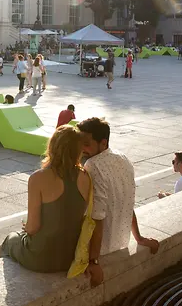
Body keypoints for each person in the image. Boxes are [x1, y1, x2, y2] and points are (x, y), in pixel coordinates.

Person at [0, 125, 89, 271]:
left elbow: (33, 228)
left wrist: (27, 227)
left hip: (41, 258)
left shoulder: (38, 178)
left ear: (52, 146)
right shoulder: (85, 177)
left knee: (11, 239)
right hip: (68, 257)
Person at [78, 117, 159, 287]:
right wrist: (139, 238)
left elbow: (97, 217)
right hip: (122, 241)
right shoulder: (124, 159)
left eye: (86, 143)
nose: (82, 148)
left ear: (103, 142)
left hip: (101, 248)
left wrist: (93, 262)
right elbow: (128, 201)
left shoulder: (92, 165)